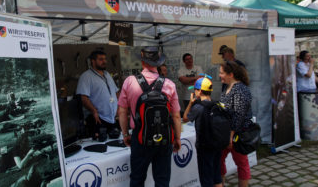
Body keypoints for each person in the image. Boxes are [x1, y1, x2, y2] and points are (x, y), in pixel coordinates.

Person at [118, 46, 181, 187]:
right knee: (162, 180)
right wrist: (177, 138)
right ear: (158, 63)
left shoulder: (129, 82)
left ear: (142, 62)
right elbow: (176, 116)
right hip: (164, 138)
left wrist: (125, 134)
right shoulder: (169, 84)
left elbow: (122, 112)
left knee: (137, 179)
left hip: (140, 138)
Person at [183, 77, 222, 187]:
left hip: (205, 147)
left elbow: (185, 118)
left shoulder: (198, 107)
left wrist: (190, 103)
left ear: (199, 91)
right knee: (216, 175)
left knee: (206, 178)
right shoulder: (217, 105)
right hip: (217, 144)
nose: (194, 92)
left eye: (195, 89)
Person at [219, 61, 252, 187]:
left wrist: (230, 135)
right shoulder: (228, 87)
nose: (220, 75)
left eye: (222, 73)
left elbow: (239, 115)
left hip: (237, 134)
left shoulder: (240, 90)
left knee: (241, 163)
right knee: (218, 160)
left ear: (230, 74)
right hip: (226, 133)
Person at [76, 50, 119, 140]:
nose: (104, 61)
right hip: (98, 118)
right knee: (101, 145)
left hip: (112, 117)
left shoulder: (107, 74)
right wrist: (94, 111)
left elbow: (116, 92)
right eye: (101, 59)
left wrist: (119, 107)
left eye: (105, 59)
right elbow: (83, 97)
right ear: (93, 61)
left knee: (114, 143)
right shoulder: (86, 76)